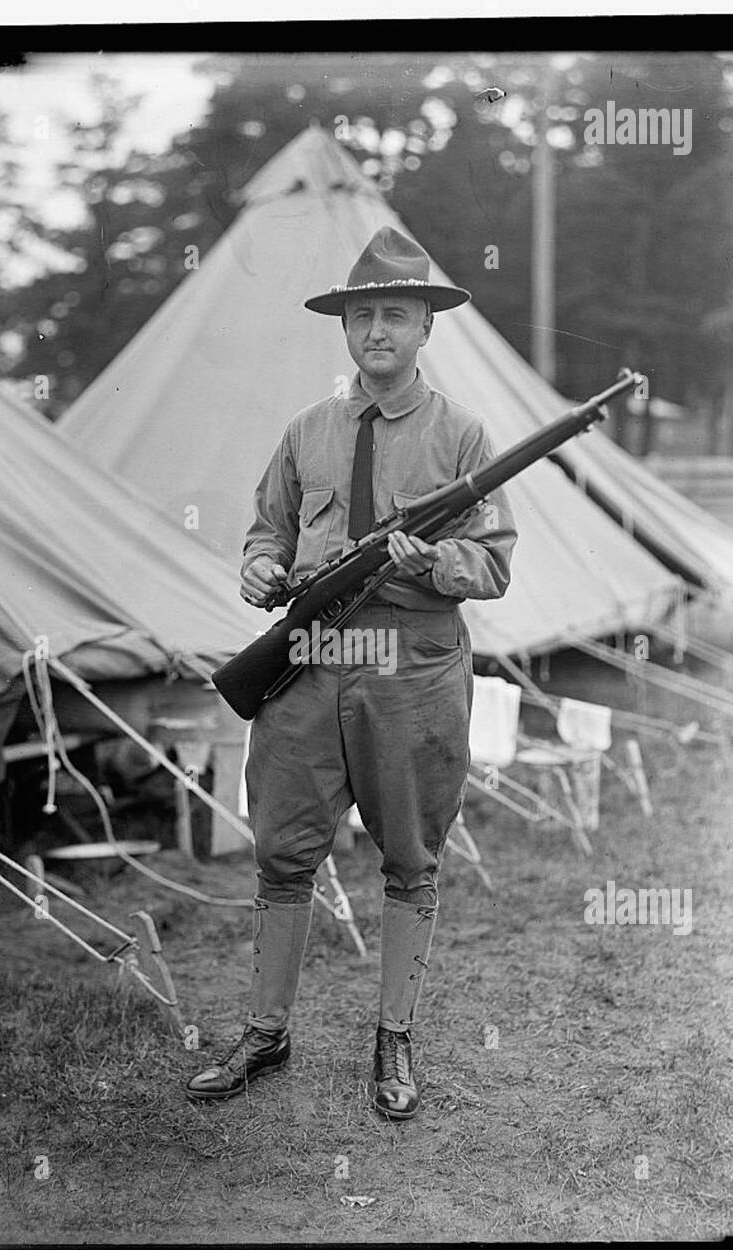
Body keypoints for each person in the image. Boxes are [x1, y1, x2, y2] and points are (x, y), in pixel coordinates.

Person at [186, 225, 518, 1119]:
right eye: (364, 315)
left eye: (396, 317)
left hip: (410, 668)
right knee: (281, 851)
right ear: (345, 330)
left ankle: (394, 1037)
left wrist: (427, 564)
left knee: (409, 858)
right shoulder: (307, 431)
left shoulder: (462, 436)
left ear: (424, 331)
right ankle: (266, 1030)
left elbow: (491, 566)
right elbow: (267, 531)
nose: (378, 331)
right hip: (308, 661)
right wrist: (258, 567)